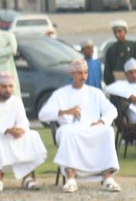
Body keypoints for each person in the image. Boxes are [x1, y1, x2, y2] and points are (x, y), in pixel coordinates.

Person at [38, 58, 120, 193]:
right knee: (67, 132)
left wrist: (101, 121)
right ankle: (71, 178)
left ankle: (107, 177)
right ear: (72, 74)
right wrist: (66, 112)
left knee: (108, 130)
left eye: (86, 73)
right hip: (70, 128)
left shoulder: (95, 92)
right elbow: (43, 114)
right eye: (80, 73)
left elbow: (112, 110)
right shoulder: (60, 94)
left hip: (92, 128)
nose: (83, 76)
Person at [0, 70, 48, 191]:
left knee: (32, 135)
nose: (7, 89)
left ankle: (27, 178)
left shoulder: (16, 101)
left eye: (10, 86)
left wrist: (20, 130)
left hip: (13, 134)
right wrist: (6, 130)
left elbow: (23, 121)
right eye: (4, 86)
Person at [102, 19, 136, 86]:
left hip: (133, 84)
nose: (117, 34)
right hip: (117, 85)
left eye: (120, 31)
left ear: (125, 31)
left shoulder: (134, 46)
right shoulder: (111, 50)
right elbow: (107, 73)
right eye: (115, 32)